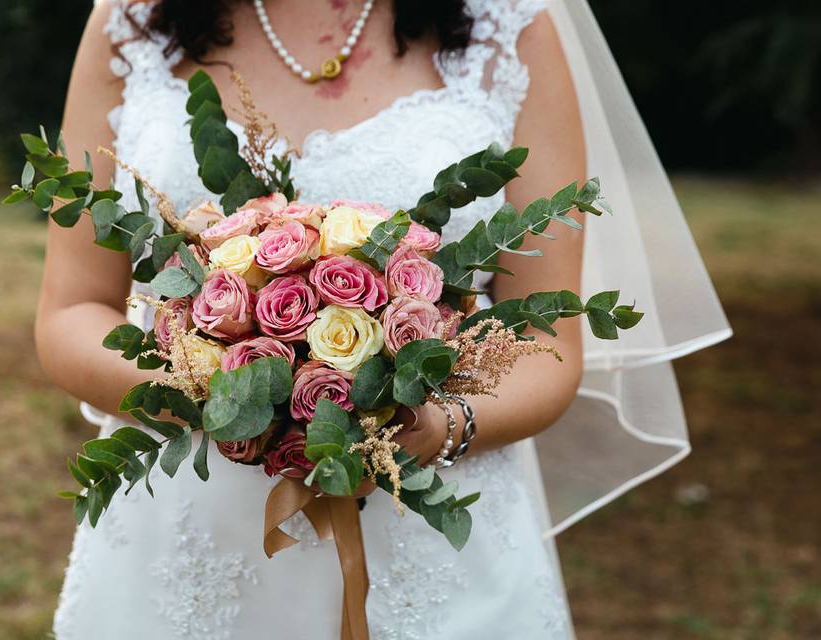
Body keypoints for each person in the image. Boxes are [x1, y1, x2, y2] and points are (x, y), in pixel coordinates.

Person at [39, 1, 730, 638]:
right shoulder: (132, 24)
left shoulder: (508, 30)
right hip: (185, 541)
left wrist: (439, 426)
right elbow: (70, 310)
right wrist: (218, 394)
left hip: (427, 528)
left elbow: (545, 341)